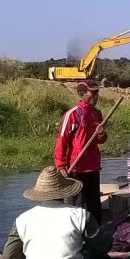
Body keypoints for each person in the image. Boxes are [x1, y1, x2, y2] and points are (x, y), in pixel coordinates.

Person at [2, 167, 104, 259]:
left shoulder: (21, 219)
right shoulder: (81, 215)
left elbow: (9, 258)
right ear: (65, 192)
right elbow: (100, 248)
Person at [54, 80, 108, 223]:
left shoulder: (97, 114)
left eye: (97, 93)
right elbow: (62, 140)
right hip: (77, 168)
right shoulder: (72, 114)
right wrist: (60, 165)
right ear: (82, 94)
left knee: (94, 206)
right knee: (78, 206)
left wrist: (101, 133)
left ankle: (96, 236)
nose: (96, 96)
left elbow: (100, 140)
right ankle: (78, 237)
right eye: (93, 93)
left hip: (93, 167)